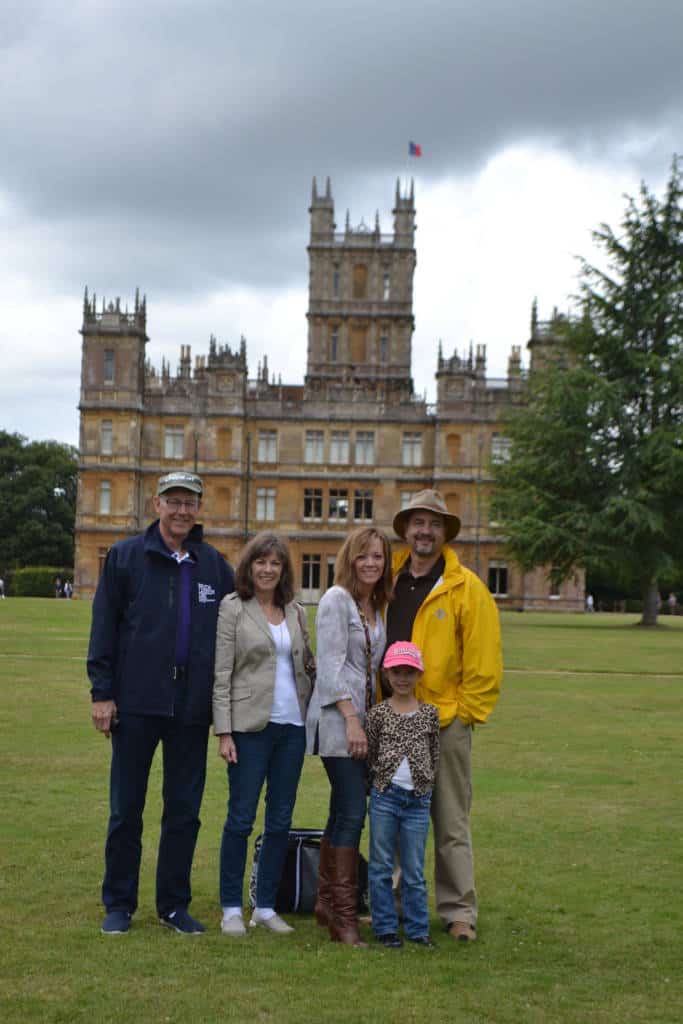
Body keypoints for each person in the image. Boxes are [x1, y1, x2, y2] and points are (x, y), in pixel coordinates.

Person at [87, 471, 235, 935]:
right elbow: (104, 626)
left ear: (198, 509)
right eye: (173, 501)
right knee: (126, 808)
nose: (181, 511)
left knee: (184, 811)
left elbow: (235, 632)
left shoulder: (213, 565)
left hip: (191, 708)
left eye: (189, 503)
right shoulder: (127, 557)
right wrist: (102, 693)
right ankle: (119, 903)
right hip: (135, 702)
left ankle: (173, 904)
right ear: (157, 505)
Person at [387, 490, 502, 944]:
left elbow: (483, 659)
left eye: (434, 524)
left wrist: (465, 715)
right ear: (406, 529)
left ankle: (458, 911)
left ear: (445, 532)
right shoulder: (390, 581)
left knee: (450, 820)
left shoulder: (466, 586)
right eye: (418, 522)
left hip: (445, 720)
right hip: (395, 718)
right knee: (393, 816)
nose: (425, 531)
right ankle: (394, 902)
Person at [214, 532, 314, 937]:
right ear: (249, 566)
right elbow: (222, 673)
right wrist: (224, 731)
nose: (268, 569)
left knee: (279, 821)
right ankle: (231, 907)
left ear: (284, 569)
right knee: (240, 819)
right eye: (261, 562)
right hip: (249, 727)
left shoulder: (296, 611)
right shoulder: (233, 608)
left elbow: (306, 665)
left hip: (292, 727)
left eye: (275, 563)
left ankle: (266, 906)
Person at [305, 526, 392, 946]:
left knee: (342, 810)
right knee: (354, 811)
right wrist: (353, 720)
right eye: (364, 555)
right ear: (350, 559)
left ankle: (326, 903)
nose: (371, 562)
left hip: (364, 722)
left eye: (378, 556)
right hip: (339, 723)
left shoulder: (376, 604)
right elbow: (330, 667)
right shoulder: (336, 600)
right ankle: (344, 916)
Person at [366, 641, 440, 949]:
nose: (403, 679)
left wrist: (426, 782)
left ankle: (418, 928)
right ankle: (384, 927)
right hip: (385, 796)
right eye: (397, 672)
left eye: (409, 672)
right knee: (381, 864)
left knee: (413, 869)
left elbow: (434, 751)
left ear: (419, 675)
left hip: (418, 801)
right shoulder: (378, 714)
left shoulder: (429, 714)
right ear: (386, 674)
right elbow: (370, 751)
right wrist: (381, 780)